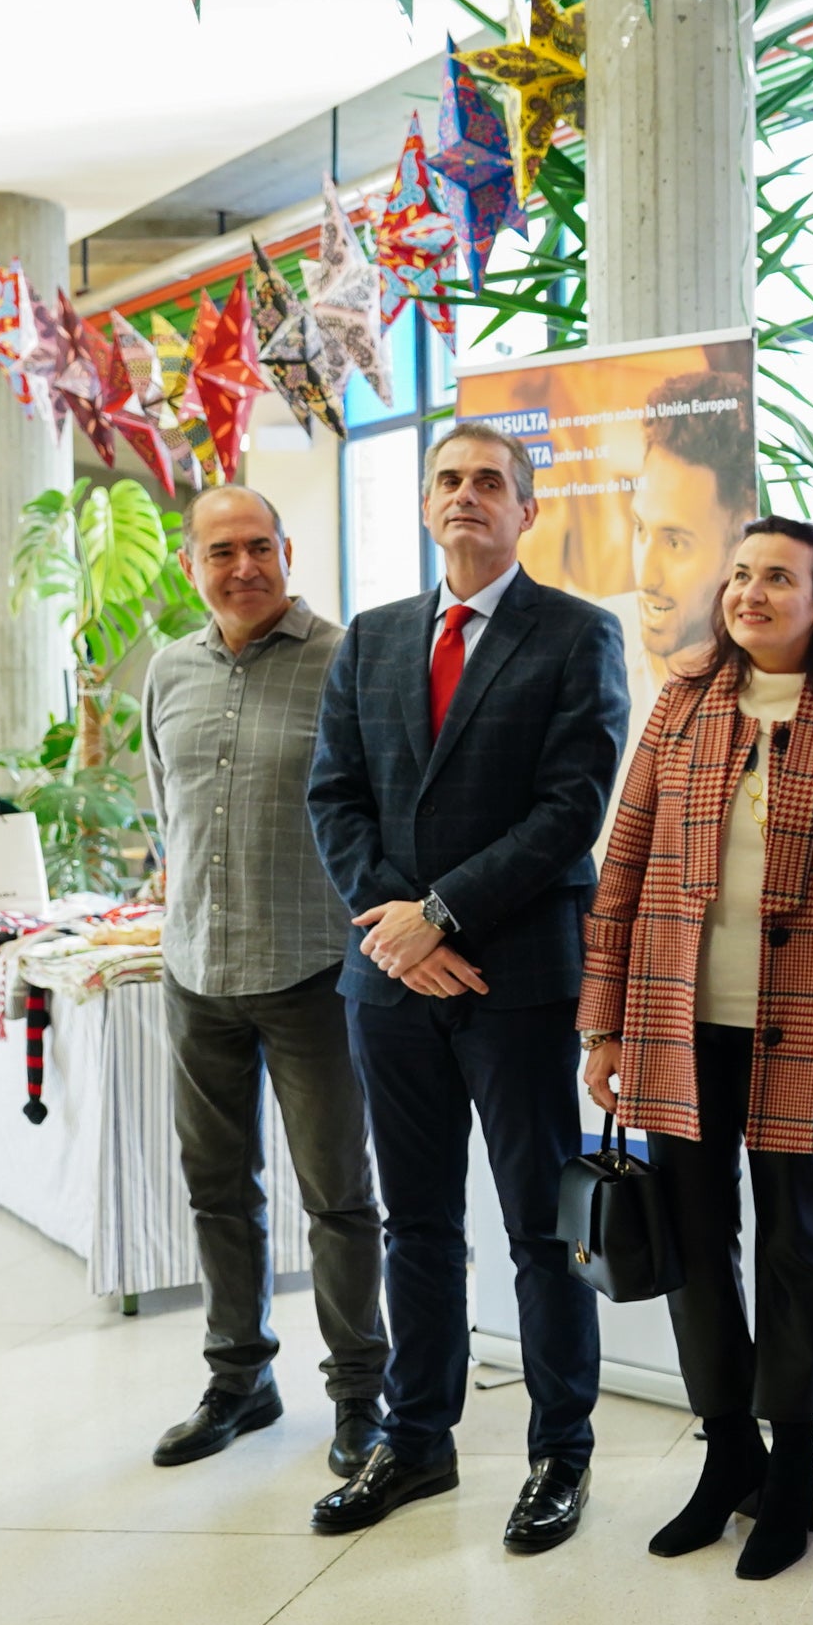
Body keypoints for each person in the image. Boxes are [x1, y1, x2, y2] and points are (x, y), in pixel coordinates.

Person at [304, 423, 629, 1551]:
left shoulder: (578, 633)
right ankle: (419, 1439)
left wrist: (438, 912)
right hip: (390, 985)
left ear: (526, 510)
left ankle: (559, 1453)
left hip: (518, 975)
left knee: (545, 1228)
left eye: (491, 481)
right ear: (426, 504)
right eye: (449, 479)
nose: (467, 496)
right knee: (418, 1223)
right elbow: (334, 797)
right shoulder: (374, 638)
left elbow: (569, 808)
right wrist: (398, 933)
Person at [577, 518, 813, 1582]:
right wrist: (603, 1021)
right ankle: (725, 1455)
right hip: (675, 1017)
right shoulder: (681, 702)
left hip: (808, 1020)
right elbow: (620, 869)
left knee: (799, 1244)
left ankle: (794, 1481)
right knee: (692, 1239)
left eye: (780, 580)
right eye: (743, 574)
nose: (752, 593)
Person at [139, 484, 387, 1477]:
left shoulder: (345, 663)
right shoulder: (166, 671)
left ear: (289, 550)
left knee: (338, 1194)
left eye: (259, 546)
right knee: (215, 1189)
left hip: (313, 972)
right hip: (196, 968)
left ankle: (361, 1395)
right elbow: (170, 809)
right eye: (220, 550)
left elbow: (372, 812)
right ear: (191, 564)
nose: (242, 566)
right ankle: (239, 1377)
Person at [611, 395, 755, 713]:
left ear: (736, 548)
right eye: (640, 528)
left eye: (675, 542)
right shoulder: (594, 640)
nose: (646, 577)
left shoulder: (764, 672)